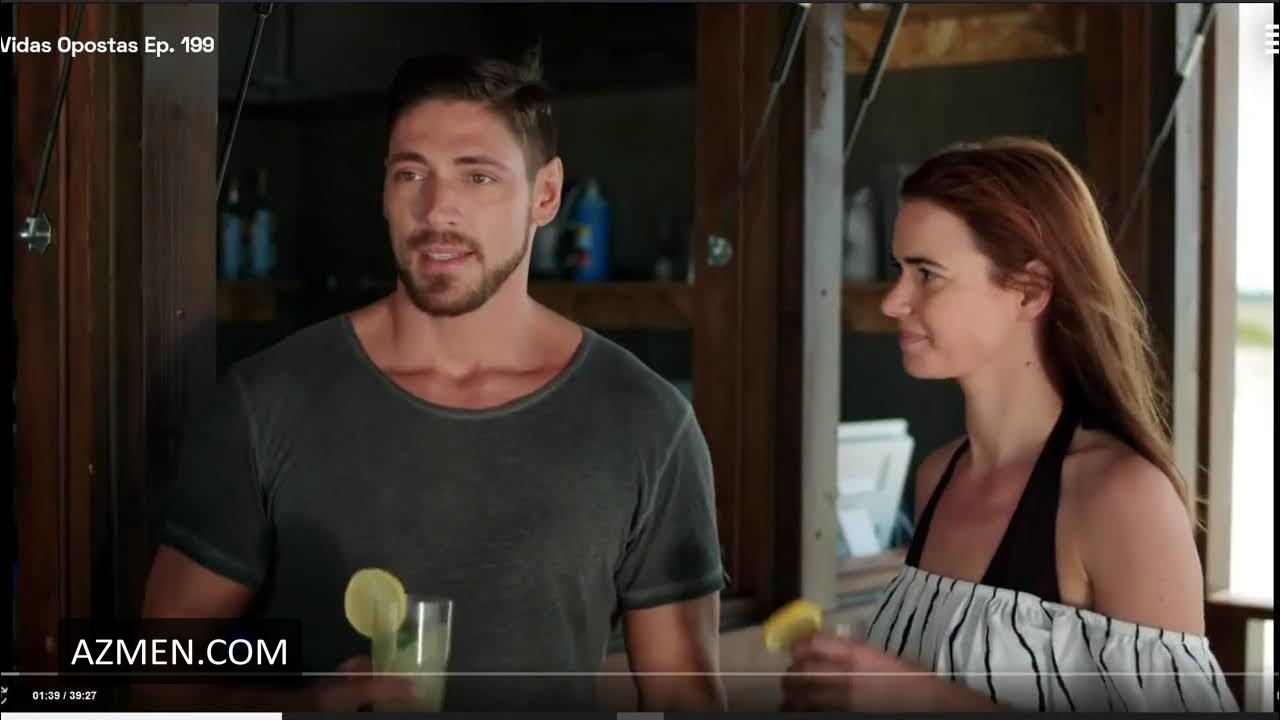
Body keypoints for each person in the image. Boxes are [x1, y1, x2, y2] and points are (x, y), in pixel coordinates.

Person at [140, 52, 727, 712]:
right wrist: (307, 708)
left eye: (478, 176)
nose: (437, 208)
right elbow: (155, 683)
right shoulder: (267, 404)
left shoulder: (646, 422)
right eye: (411, 173)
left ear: (546, 194)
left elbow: (686, 696)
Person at [781, 138, 1238, 712]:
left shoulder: (1120, 496)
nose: (893, 302)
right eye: (899, 270)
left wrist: (915, 696)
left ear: (1030, 291)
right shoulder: (937, 477)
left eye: (927, 274)